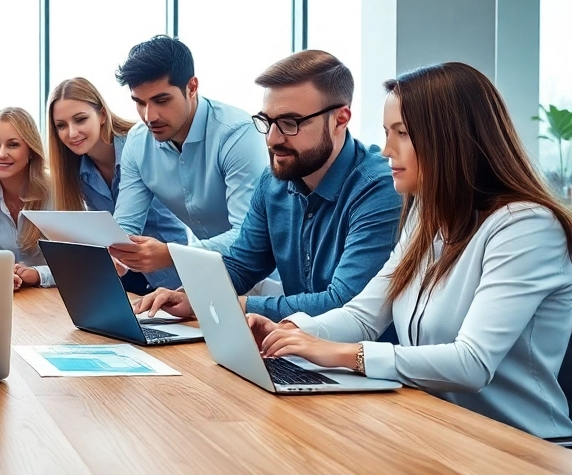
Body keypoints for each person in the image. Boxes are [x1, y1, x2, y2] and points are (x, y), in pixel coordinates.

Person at [252, 63, 572, 439]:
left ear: (451, 138)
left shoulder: (526, 227)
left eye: (401, 134)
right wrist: (289, 331)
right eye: (387, 133)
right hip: (438, 432)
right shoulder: (427, 215)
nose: (387, 150)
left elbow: (471, 363)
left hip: (523, 449)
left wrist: (339, 354)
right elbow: (364, 315)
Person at [135, 51, 401, 323]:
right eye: (267, 122)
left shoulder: (379, 188)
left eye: (289, 123)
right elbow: (243, 265)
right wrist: (192, 295)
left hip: (354, 360)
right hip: (293, 349)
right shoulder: (274, 181)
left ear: (340, 120)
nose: (273, 139)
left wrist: (235, 304)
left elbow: (343, 302)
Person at [109, 36, 268, 288]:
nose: (149, 116)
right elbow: (124, 230)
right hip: (210, 280)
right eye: (139, 102)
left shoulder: (237, 134)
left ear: (192, 87)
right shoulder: (138, 144)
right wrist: (115, 255)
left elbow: (248, 234)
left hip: (270, 280)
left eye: (162, 101)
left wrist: (171, 254)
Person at [46, 77, 189, 292]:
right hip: (125, 275)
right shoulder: (76, 170)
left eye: (80, 119)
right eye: (61, 126)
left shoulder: (141, 146)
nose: (72, 133)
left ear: (102, 115)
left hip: (174, 276)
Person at [0, 107, 54, 290]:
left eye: (13, 145)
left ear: (31, 150)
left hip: (56, 302)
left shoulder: (57, 192)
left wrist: (38, 274)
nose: (1, 154)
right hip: (3, 298)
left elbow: (80, 264)